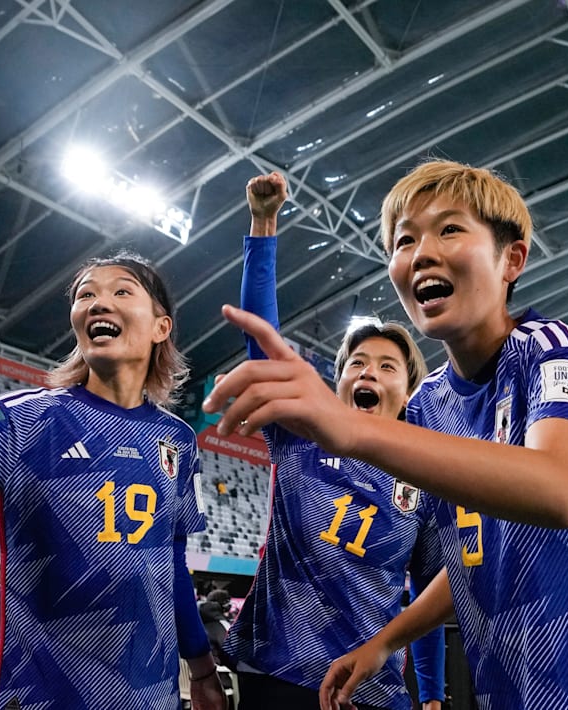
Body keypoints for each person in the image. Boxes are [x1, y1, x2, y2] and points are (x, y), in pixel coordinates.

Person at [205, 162, 568, 710]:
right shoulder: (429, 405)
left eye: (450, 229)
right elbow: (469, 557)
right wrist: (386, 641)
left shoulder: (551, 349)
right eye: (405, 240)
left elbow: (556, 490)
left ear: (512, 260)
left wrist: (352, 428)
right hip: (500, 691)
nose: (422, 253)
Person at [0, 202, 226, 710]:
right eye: (86, 294)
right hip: (41, 696)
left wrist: (201, 669)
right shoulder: (24, 418)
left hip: (151, 697)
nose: (98, 302)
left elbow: (171, 563)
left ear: (161, 327)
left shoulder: (178, 439)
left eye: (121, 291)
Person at [219, 173, 445, 710]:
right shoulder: (301, 436)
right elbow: (263, 344)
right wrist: (263, 224)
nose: (368, 372)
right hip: (278, 675)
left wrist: (433, 696)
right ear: (339, 382)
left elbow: (428, 593)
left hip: (370, 690)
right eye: (357, 363)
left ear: (408, 391)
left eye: (387, 366)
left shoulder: (427, 472)